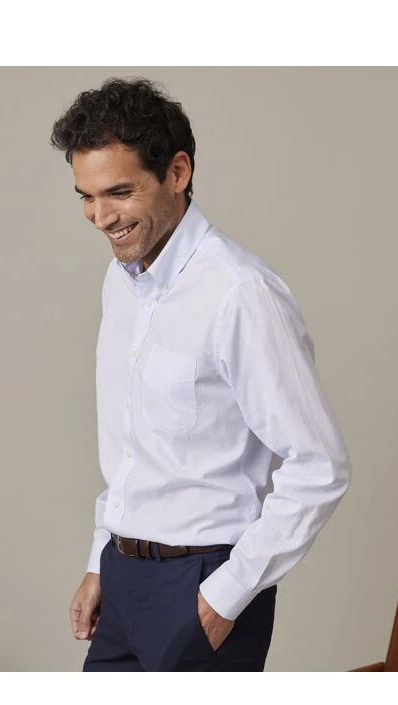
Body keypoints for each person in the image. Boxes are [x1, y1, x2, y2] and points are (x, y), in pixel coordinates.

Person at [50, 78, 352, 671]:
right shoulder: (121, 282)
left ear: (178, 172)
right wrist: (99, 560)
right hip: (121, 576)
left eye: (119, 192)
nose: (101, 217)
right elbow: (133, 449)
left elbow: (321, 465)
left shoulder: (240, 293)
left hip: (203, 582)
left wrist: (226, 596)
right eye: (86, 196)